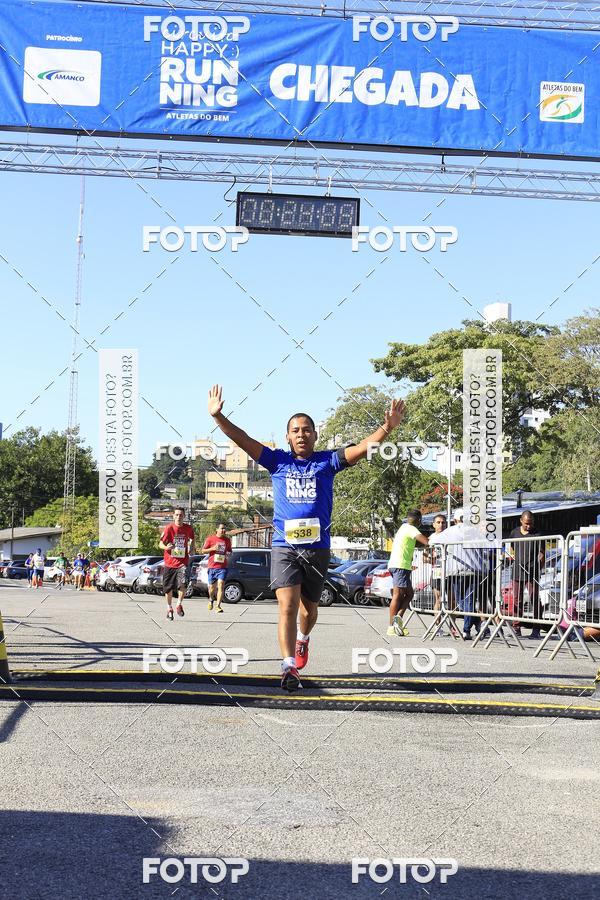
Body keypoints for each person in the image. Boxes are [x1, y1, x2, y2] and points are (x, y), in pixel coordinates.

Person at [208, 383, 405, 692]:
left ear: (315, 435)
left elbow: (364, 447)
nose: (301, 434)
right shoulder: (277, 462)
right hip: (285, 547)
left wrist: (387, 427)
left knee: (309, 610)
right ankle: (288, 667)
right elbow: (243, 440)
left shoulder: (327, 461)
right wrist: (219, 417)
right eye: (295, 430)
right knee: (286, 606)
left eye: (306, 430)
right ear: (288, 437)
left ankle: (303, 639)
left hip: (317, 548)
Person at [435, 509, 489, 640]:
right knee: (468, 601)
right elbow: (485, 549)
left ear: (455, 520)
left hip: (457, 571)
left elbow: (433, 542)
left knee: (462, 602)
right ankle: (472, 625)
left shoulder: (451, 531)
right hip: (474, 571)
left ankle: (467, 629)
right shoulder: (476, 532)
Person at [387, 510, 429, 637]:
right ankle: (391, 627)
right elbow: (426, 541)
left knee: (409, 594)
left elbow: (415, 543)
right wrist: (429, 542)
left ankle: (397, 620)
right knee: (397, 595)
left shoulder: (403, 528)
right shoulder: (411, 529)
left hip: (399, 565)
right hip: (400, 565)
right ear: (419, 520)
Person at [508, 510, 544, 640]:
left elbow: (541, 553)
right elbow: (512, 548)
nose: (529, 526)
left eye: (531, 524)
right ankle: (516, 627)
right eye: (527, 524)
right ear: (521, 520)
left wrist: (539, 566)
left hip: (532, 571)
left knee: (534, 599)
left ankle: (537, 628)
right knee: (517, 599)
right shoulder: (514, 532)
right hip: (518, 570)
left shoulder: (537, 533)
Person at [159, 507, 195, 620]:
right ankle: (169, 608)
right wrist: (166, 547)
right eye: (177, 515)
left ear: (184, 516)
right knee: (168, 588)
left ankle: (179, 604)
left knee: (183, 584)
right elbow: (160, 544)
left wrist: (192, 548)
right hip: (169, 563)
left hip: (182, 562)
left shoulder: (188, 528)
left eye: (181, 515)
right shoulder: (169, 528)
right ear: (174, 516)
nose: (179, 517)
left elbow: (193, 539)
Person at [426, 513, 458, 638]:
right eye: (438, 522)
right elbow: (425, 557)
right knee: (438, 599)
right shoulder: (431, 538)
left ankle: (453, 626)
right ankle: (437, 626)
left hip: (451, 572)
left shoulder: (451, 536)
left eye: (443, 522)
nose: (441, 525)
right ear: (433, 524)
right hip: (437, 572)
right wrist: (431, 558)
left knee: (452, 600)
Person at [203, 523, 232, 613]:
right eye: (222, 528)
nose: (223, 530)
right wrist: (213, 548)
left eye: (225, 529)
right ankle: (211, 599)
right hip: (212, 567)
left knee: (221, 585)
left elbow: (230, 551)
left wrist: (229, 554)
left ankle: (218, 606)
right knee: (211, 588)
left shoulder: (227, 540)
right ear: (217, 529)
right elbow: (203, 550)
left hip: (222, 567)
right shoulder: (210, 539)